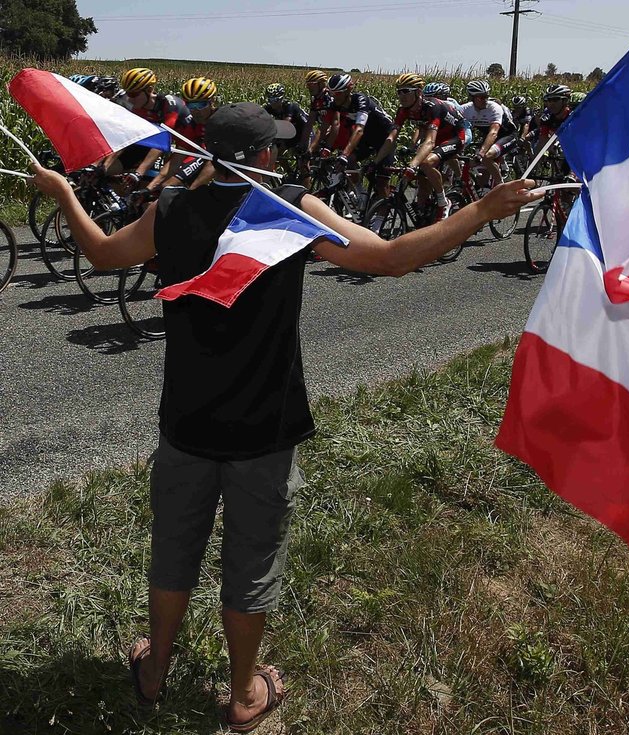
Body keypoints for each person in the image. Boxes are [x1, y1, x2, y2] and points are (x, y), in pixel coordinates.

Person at [28, 102, 542, 734]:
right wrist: (482, 210)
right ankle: (243, 695)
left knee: (173, 548)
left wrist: (60, 192)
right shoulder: (291, 211)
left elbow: (104, 254)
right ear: (266, 156)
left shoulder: (170, 212)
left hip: (185, 420)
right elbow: (390, 256)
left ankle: (155, 669)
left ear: (208, 154)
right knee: (251, 560)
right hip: (264, 428)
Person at [372, 72, 468, 222]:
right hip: (436, 137)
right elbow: (391, 138)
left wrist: (413, 165)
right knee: (422, 178)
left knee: (425, 163)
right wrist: (375, 162)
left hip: (454, 136)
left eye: (406, 91)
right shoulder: (403, 110)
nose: (401, 95)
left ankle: (444, 202)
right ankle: (425, 210)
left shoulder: (432, 107)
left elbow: (429, 142)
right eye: (399, 91)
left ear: (418, 92)